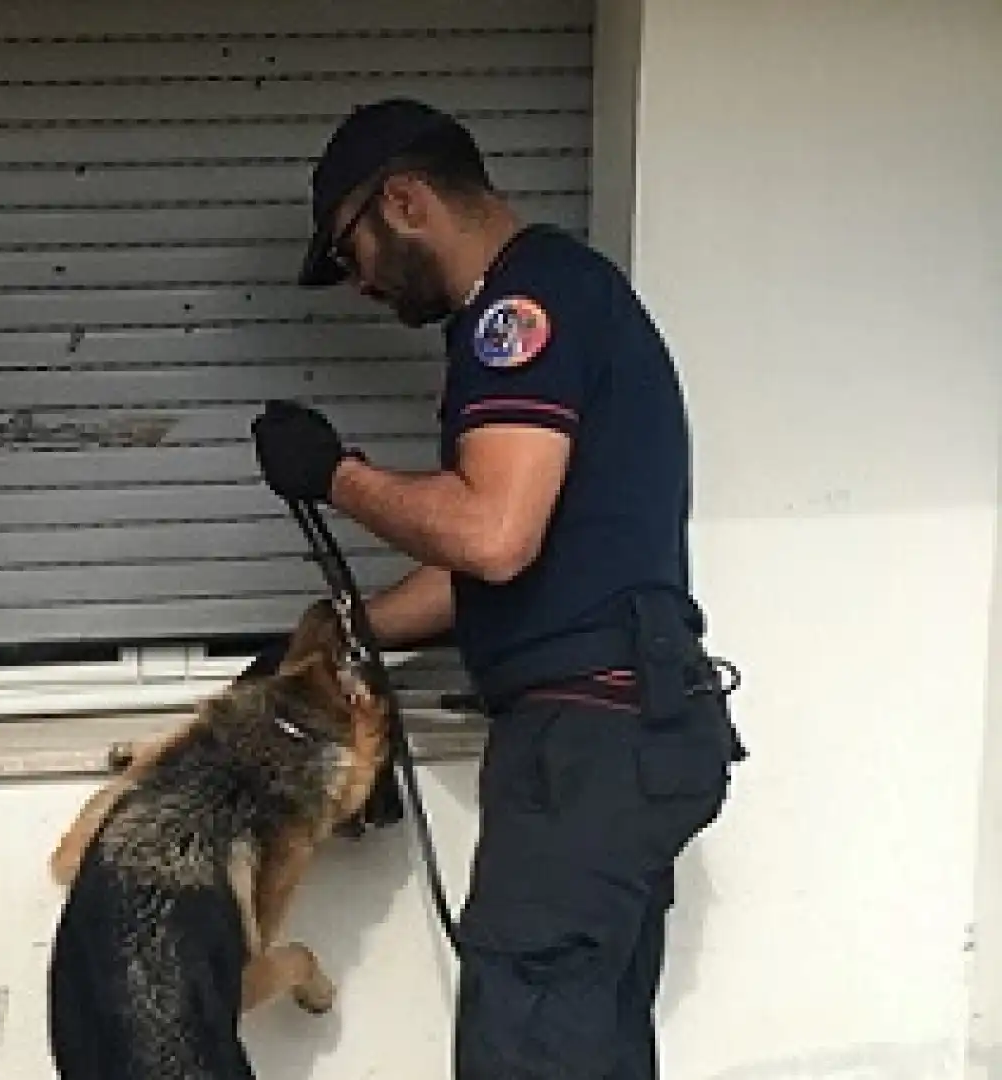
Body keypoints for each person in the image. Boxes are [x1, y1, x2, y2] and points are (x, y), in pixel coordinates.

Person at [251, 98, 745, 1079]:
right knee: (583, 1050)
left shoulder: (521, 311)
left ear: (403, 200)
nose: (357, 287)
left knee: (525, 1050)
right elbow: (485, 567)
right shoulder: (560, 294)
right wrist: (340, 636)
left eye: (349, 254)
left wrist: (335, 476)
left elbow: (492, 535)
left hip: (588, 746)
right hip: (616, 740)